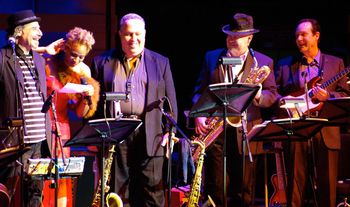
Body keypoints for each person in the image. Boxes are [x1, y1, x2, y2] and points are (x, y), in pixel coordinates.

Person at [91, 13, 178, 207]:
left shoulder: (161, 62)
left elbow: (170, 102)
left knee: (152, 194)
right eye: (129, 34)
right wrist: (95, 137)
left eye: (138, 34)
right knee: (117, 194)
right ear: (120, 35)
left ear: (145, 34)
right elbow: (93, 105)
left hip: (151, 136)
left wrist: (169, 132)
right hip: (114, 136)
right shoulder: (100, 62)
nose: (134, 39)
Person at [192, 13, 277, 206]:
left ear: (249, 38)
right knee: (215, 187)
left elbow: (272, 95)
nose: (230, 39)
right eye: (228, 35)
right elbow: (198, 92)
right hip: (216, 133)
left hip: (246, 132)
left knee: (244, 189)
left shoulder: (264, 62)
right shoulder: (211, 57)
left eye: (236, 36)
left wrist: (258, 96)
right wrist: (199, 115)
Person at [274, 18, 350, 207]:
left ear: (316, 36)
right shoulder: (285, 64)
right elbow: (274, 93)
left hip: (326, 129)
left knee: (327, 186)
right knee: (294, 186)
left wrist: (328, 95)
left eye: (303, 34)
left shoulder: (336, 62)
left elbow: (345, 94)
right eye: (297, 35)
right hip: (297, 129)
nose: (299, 39)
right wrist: (285, 102)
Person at [0, 9, 51, 207]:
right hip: (13, 143)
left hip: (38, 141)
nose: (40, 33)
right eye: (35, 29)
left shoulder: (38, 59)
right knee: (8, 194)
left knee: (35, 194)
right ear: (19, 32)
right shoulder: (4, 58)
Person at [43, 26, 99, 206]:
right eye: (73, 54)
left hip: (62, 127)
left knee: (60, 179)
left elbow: (79, 113)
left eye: (81, 56)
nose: (76, 60)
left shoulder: (83, 71)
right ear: (65, 47)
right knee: (41, 175)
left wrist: (87, 97)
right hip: (41, 123)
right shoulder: (49, 60)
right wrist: (45, 50)